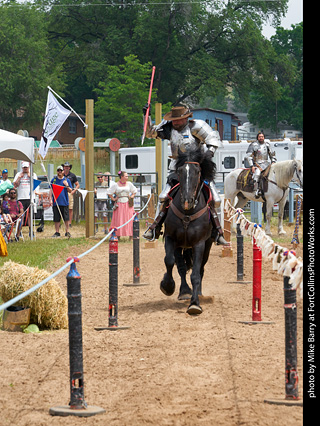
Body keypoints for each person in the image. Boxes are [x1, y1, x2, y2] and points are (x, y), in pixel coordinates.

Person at [142, 105, 228, 245]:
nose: (175, 123)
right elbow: (150, 133)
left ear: (186, 118)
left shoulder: (196, 126)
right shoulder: (169, 128)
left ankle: (218, 232)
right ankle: (155, 228)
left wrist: (207, 155)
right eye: (174, 120)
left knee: (216, 199)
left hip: (197, 168)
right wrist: (146, 116)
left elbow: (213, 139)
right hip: (177, 168)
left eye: (178, 120)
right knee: (164, 196)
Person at [244, 131, 277, 198]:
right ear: (257, 138)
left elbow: (272, 154)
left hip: (266, 163)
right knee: (257, 175)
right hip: (257, 164)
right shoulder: (253, 145)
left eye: (262, 137)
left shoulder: (267, 145)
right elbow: (249, 156)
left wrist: (273, 161)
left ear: (264, 137)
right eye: (260, 137)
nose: (261, 138)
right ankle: (256, 190)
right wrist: (252, 166)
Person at [107, 171, 137, 239]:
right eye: (126, 176)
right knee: (119, 219)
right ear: (122, 177)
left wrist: (132, 196)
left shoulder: (129, 184)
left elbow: (134, 191)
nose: (127, 177)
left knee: (129, 218)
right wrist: (114, 199)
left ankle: (131, 235)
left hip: (127, 203)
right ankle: (118, 234)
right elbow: (109, 192)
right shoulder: (116, 185)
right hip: (119, 203)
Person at [13, 162, 37, 232]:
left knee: (30, 215)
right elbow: (15, 185)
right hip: (21, 197)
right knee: (21, 215)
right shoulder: (18, 174)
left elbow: (35, 185)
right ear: (22, 167)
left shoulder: (33, 174)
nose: (25, 169)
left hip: (30, 197)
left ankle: (31, 230)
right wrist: (19, 178)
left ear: (29, 167)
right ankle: (19, 231)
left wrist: (30, 177)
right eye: (24, 167)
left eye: (26, 167)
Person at [50, 165, 73, 238]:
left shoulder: (66, 180)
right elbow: (51, 190)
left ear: (63, 171)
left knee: (66, 218)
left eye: (61, 170)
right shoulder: (53, 180)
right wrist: (50, 199)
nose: (59, 172)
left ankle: (67, 231)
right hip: (56, 202)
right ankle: (57, 232)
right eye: (58, 170)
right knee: (56, 218)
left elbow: (70, 190)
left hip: (64, 202)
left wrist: (67, 185)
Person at [61, 161, 79, 227]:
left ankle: (69, 223)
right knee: (62, 207)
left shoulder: (72, 175)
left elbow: (77, 185)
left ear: (69, 168)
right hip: (62, 193)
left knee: (70, 208)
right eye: (65, 167)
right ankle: (62, 222)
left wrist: (73, 191)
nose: (66, 168)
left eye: (67, 167)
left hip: (69, 192)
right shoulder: (61, 175)